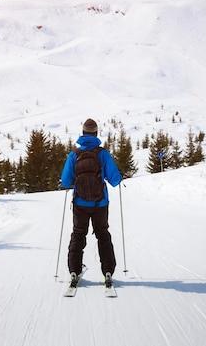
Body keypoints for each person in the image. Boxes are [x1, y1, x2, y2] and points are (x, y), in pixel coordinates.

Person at [60, 118, 122, 288]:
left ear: (83, 133)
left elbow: (65, 181)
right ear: (96, 133)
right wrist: (119, 175)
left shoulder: (74, 154)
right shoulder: (102, 154)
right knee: (103, 234)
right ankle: (108, 271)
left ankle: (74, 270)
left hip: (80, 204)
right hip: (100, 204)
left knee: (78, 234)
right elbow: (115, 179)